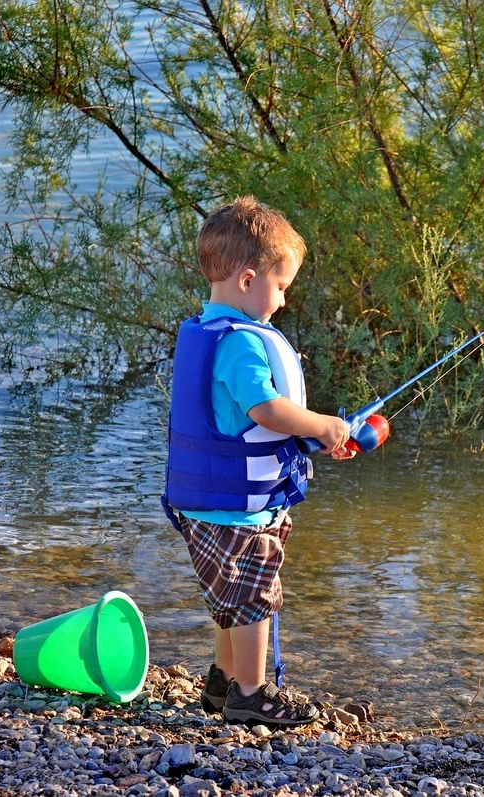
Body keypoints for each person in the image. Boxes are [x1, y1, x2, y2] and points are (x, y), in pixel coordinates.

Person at [161, 197, 349, 727]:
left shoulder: (207, 330)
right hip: (236, 511)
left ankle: (222, 683)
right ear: (248, 279)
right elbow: (264, 408)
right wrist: (321, 425)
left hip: (210, 504)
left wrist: (311, 437)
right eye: (282, 285)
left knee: (231, 598)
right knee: (253, 600)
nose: (284, 300)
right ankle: (251, 694)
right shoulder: (241, 345)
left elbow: (245, 424)